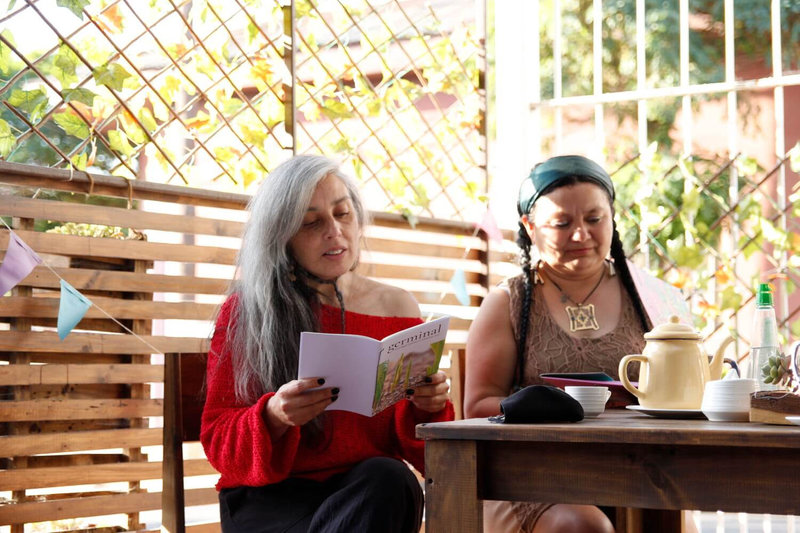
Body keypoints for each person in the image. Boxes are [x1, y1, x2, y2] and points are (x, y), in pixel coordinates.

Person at [200, 154, 454, 533]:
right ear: (282, 237)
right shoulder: (249, 311)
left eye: (343, 213)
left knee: (390, 478)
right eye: (311, 222)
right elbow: (220, 442)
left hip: (365, 498)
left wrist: (429, 408)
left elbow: (427, 454)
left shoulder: (398, 308)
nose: (334, 231)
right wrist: (274, 417)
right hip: (271, 502)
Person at [464, 154, 659, 533]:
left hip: (636, 468)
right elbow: (476, 407)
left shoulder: (646, 294)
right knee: (581, 526)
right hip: (530, 472)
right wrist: (555, 409)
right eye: (562, 223)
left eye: (594, 219)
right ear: (530, 227)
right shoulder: (509, 303)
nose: (581, 235)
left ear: (612, 216)